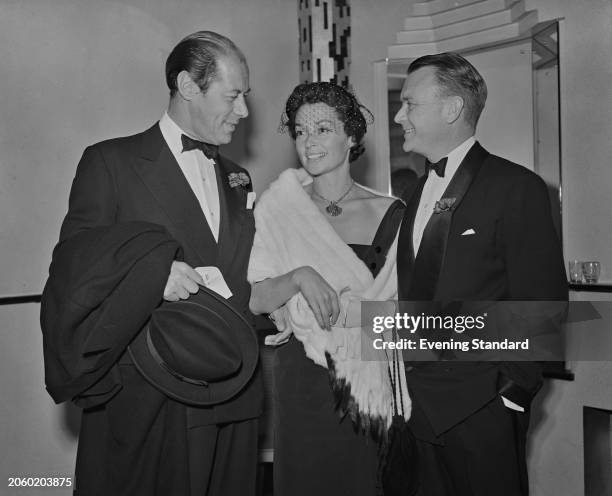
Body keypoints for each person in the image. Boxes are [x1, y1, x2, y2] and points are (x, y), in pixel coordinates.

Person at [40, 31, 262, 496]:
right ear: (186, 86)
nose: (243, 111)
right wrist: (149, 270)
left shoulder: (239, 179)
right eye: (233, 96)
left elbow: (237, 275)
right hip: (148, 397)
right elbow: (72, 267)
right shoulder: (111, 162)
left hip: (234, 394)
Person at [394, 52, 567, 495]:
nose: (399, 116)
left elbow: (543, 305)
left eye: (410, 103)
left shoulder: (517, 188)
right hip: (416, 409)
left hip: (482, 406)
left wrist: (510, 394)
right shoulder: (415, 192)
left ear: (452, 109)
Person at [247, 82, 408, 495]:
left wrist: (350, 319)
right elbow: (259, 298)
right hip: (299, 377)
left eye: (322, 129)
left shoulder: (390, 213)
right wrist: (300, 276)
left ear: (351, 136)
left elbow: (398, 310)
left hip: (364, 379)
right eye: (300, 131)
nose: (308, 142)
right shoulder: (279, 207)